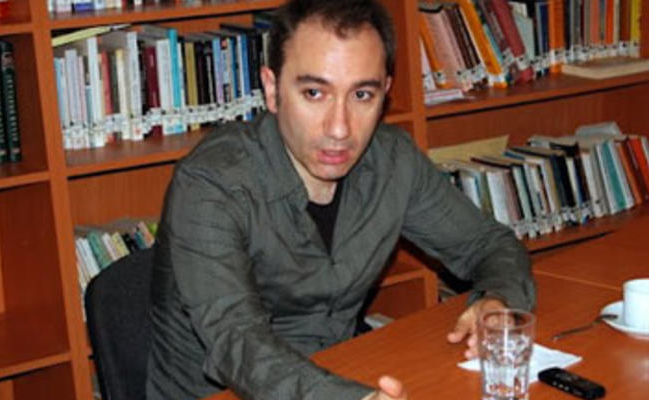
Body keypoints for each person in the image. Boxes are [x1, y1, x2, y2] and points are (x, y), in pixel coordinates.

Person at [145, 0, 535, 399]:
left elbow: (489, 244)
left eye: (362, 95)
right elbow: (238, 343)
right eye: (314, 93)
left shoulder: (393, 160)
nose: (339, 128)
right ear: (272, 90)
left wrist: (497, 299)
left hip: (343, 371)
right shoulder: (211, 183)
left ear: (385, 93)